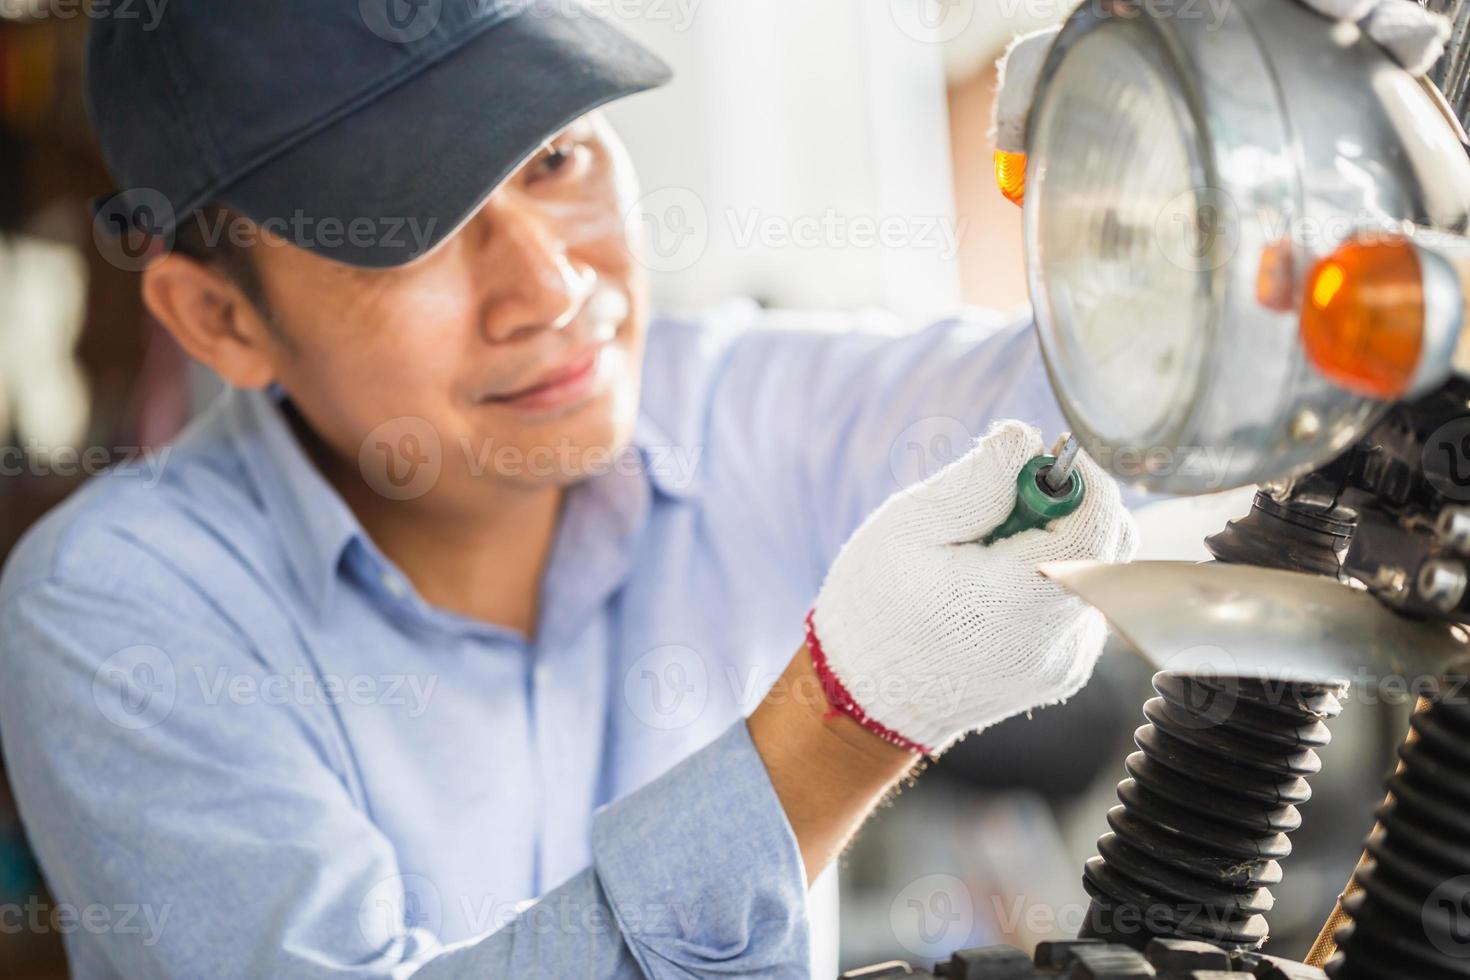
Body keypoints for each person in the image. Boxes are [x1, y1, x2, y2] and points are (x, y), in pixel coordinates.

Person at [0, 2, 1136, 977]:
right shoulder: (119, 607)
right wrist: (840, 721)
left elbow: (1133, 384)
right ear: (223, 319)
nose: (546, 287)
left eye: (554, 159)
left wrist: (1175, 143)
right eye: (409, 232)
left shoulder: (723, 403)